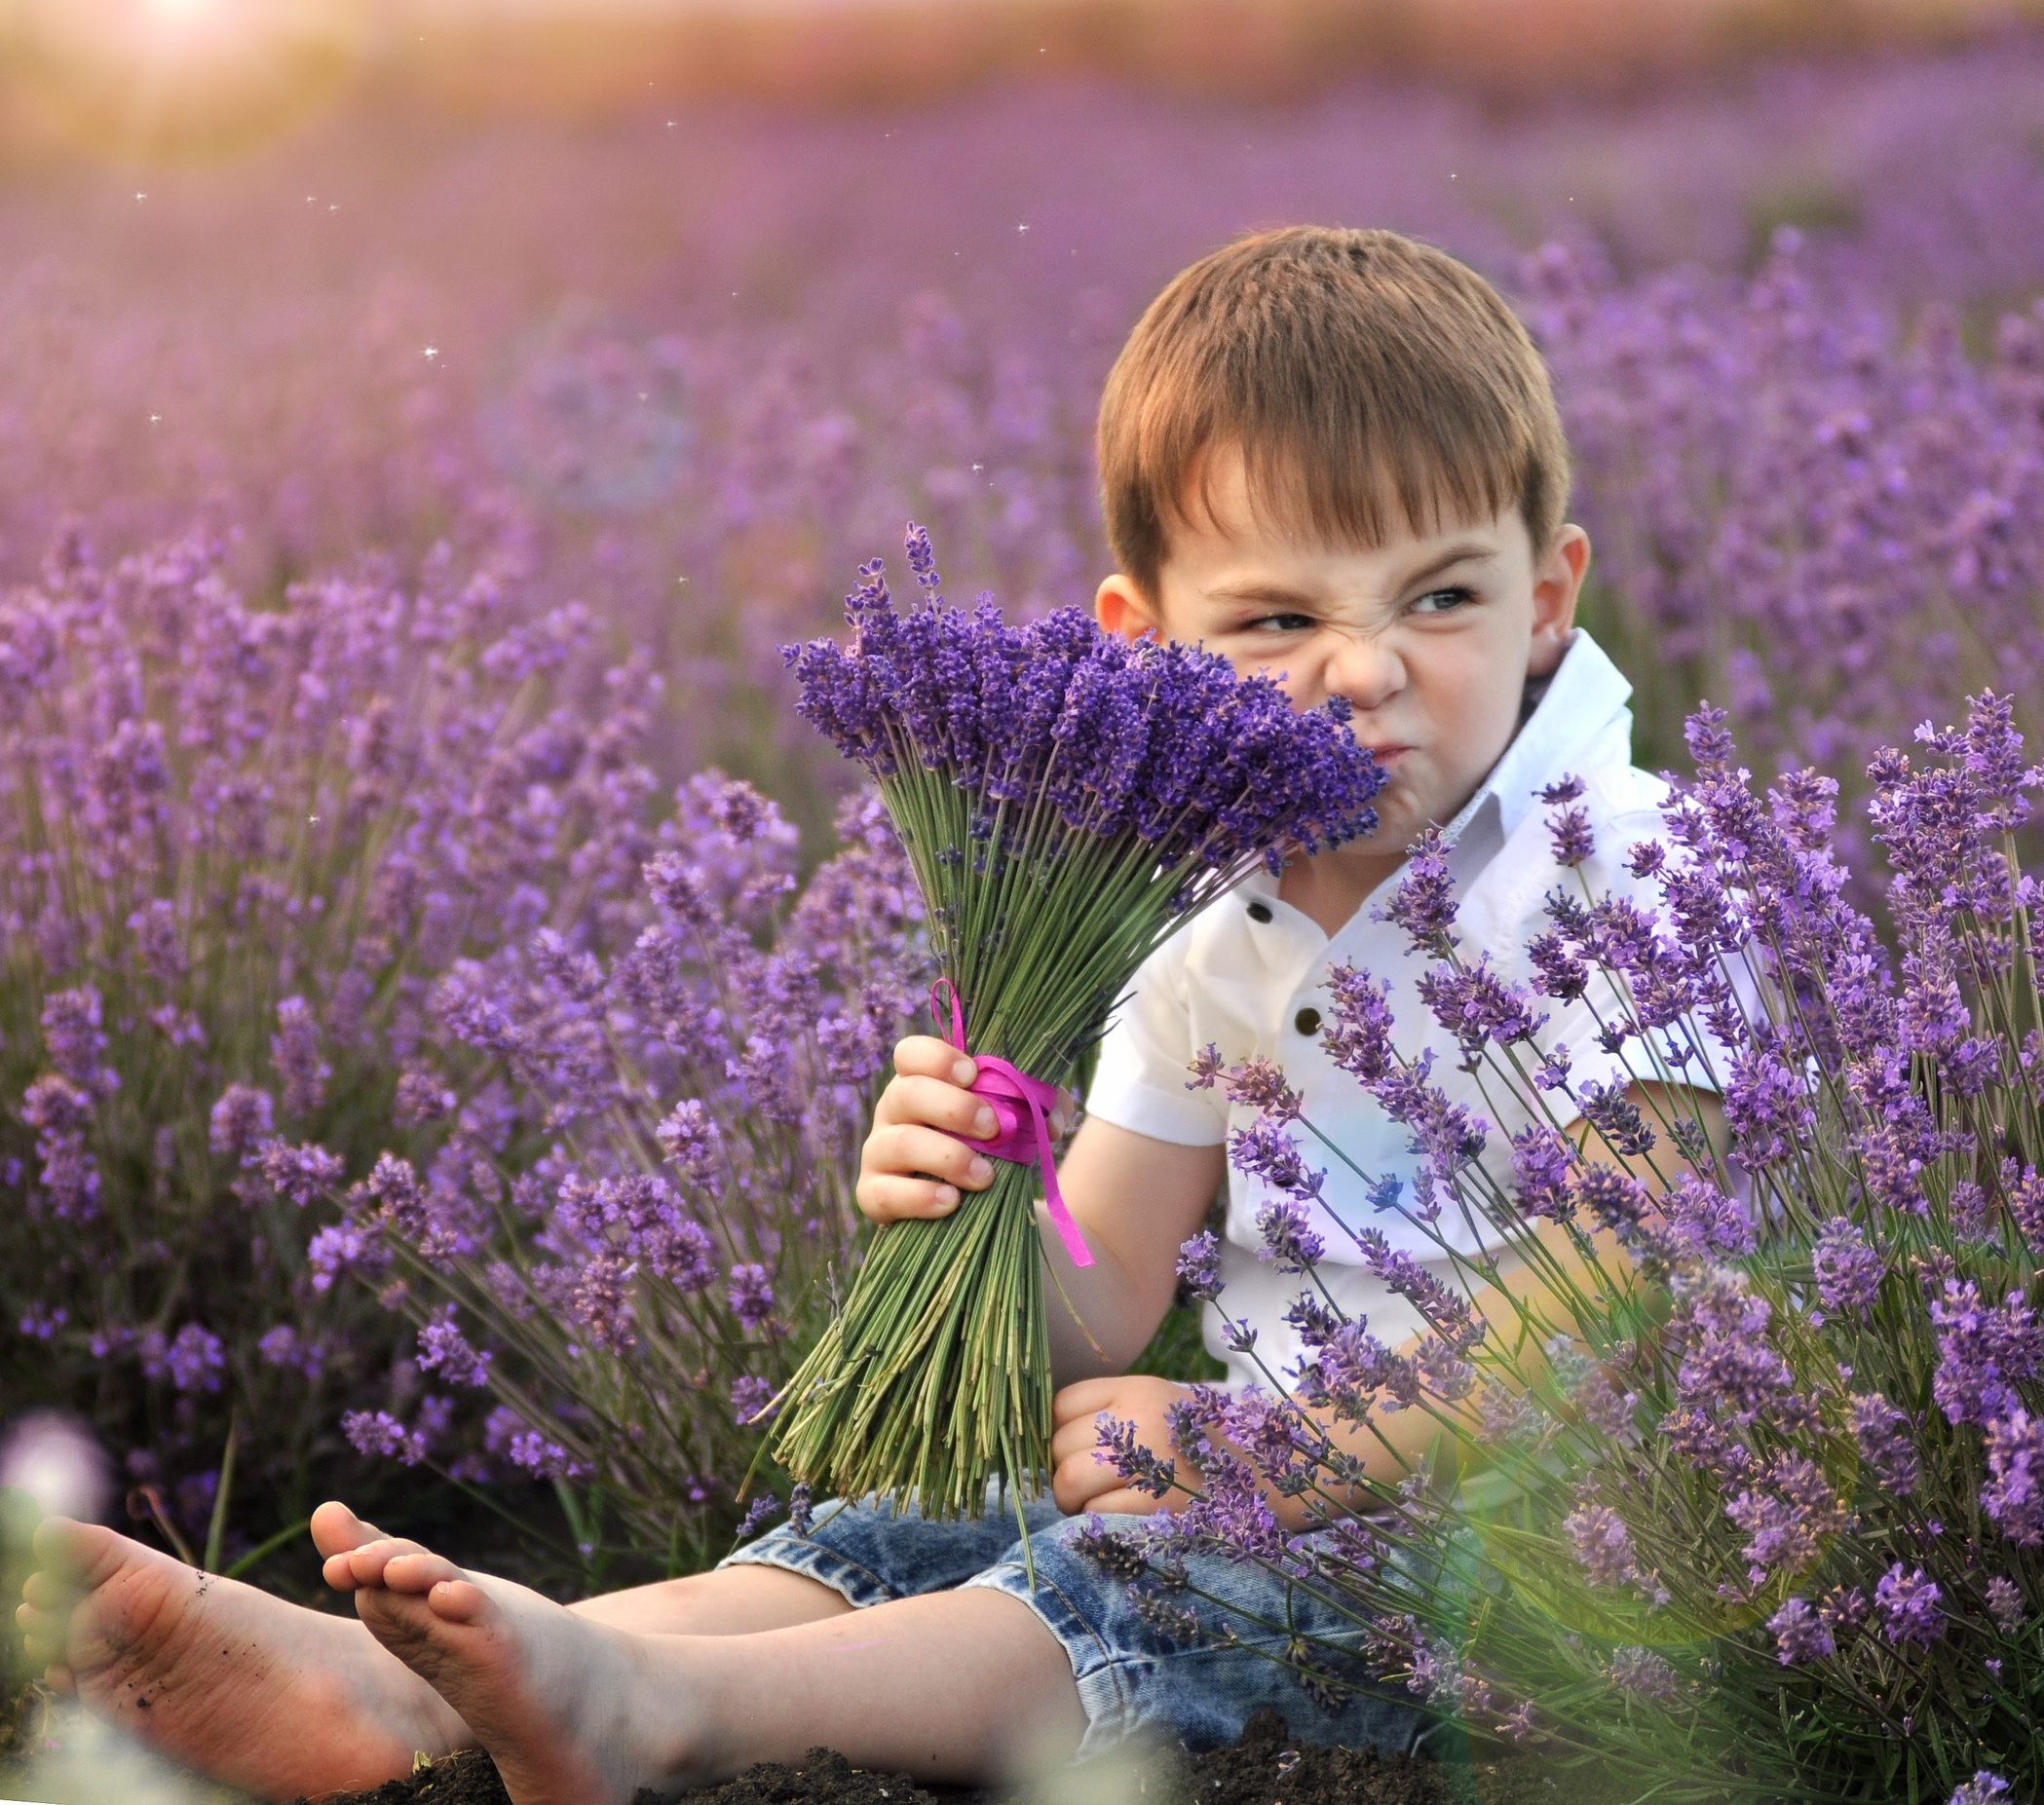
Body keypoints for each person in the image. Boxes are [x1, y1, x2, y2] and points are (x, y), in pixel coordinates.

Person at [13, 225, 1725, 1804]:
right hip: (1261, 1484)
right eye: (1279, 618)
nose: (1363, 669)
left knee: (1121, 1574)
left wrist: (1292, 1445)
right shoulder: (1225, 929)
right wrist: (980, 1206)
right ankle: (416, 1695)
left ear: (1550, 593)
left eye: (1438, 598)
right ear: (1144, 641)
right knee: (922, 1507)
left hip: (1572, 1548)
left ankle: (650, 1712)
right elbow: (1101, 1307)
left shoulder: (1634, 877)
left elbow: (1609, 1289)